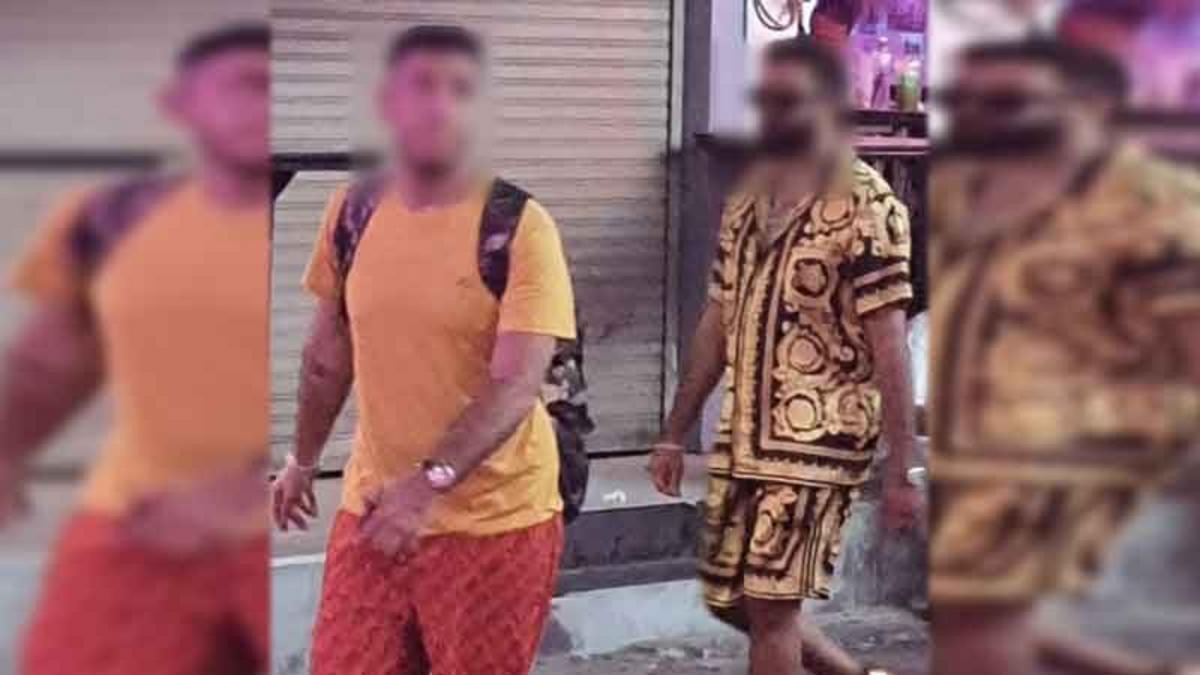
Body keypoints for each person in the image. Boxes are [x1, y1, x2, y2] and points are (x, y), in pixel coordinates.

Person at [271, 25, 576, 675]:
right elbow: (328, 355)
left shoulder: (519, 227)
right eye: (422, 87)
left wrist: (427, 484)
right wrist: (302, 459)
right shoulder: (352, 212)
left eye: (460, 90)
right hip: (375, 513)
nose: (440, 106)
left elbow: (516, 384)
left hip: (493, 525)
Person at [0, 23, 272, 675]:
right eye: (246, 85)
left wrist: (240, 491)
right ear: (179, 104)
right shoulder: (111, 217)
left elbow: (349, 365)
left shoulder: (338, 218)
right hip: (138, 521)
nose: (264, 105)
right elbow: (46, 362)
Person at [648, 37, 921, 675]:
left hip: (822, 440)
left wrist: (903, 468)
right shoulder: (748, 201)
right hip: (746, 438)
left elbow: (891, 345)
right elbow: (717, 319)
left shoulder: (868, 206)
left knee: (771, 609)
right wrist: (674, 432)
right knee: (733, 600)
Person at [929, 39, 1200, 675]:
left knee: (985, 639)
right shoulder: (966, 196)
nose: (975, 118)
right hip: (981, 473)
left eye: (1006, 102)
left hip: (1092, 474)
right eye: (962, 101)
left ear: (1092, 106)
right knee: (979, 634)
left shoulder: (1153, 202)